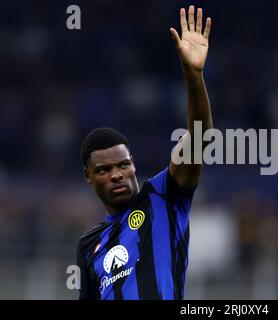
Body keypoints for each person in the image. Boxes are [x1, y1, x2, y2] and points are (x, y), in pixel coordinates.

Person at [76, 5, 212, 300]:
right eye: (104, 170)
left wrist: (194, 75)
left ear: (133, 165)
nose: (117, 175)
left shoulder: (162, 197)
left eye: (123, 165)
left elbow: (200, 138)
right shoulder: (88, 246)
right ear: (88, 176)